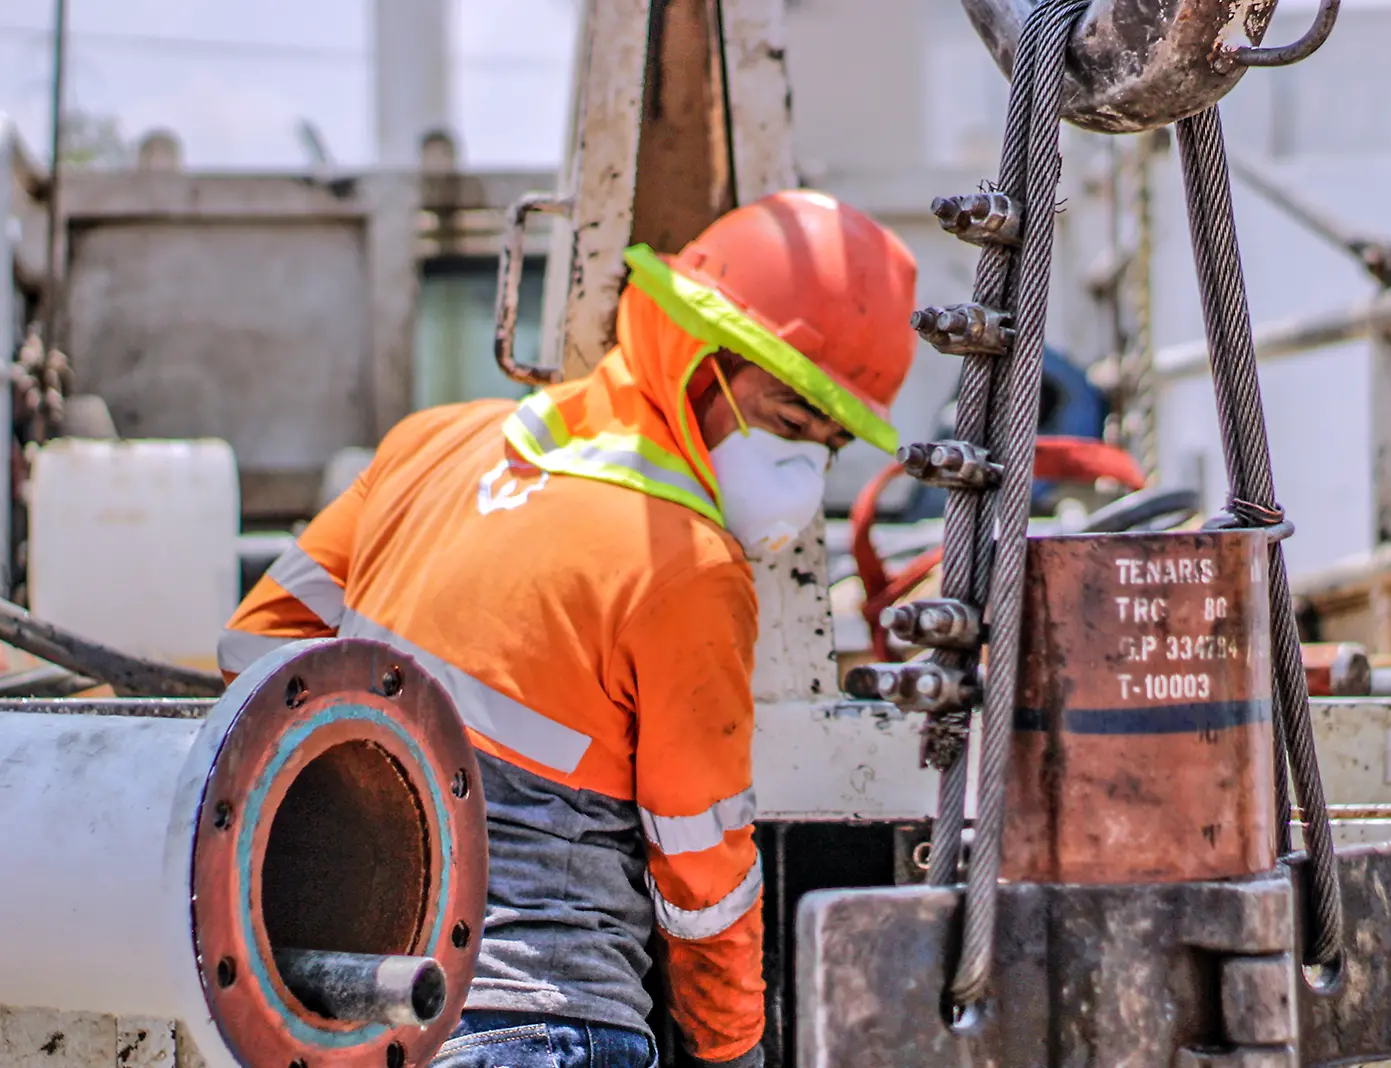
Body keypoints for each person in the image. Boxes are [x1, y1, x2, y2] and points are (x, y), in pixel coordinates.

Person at [218, 191, 919, 1068]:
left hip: (350, 1016)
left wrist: (366, 832)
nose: (803, 469)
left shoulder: (429, 447)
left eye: (828, 443)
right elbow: (703, 880)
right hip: (547, 1021)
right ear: (696, 361)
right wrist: (733, 1052)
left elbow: (256, 656)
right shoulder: (688, 566)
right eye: (786, 420)